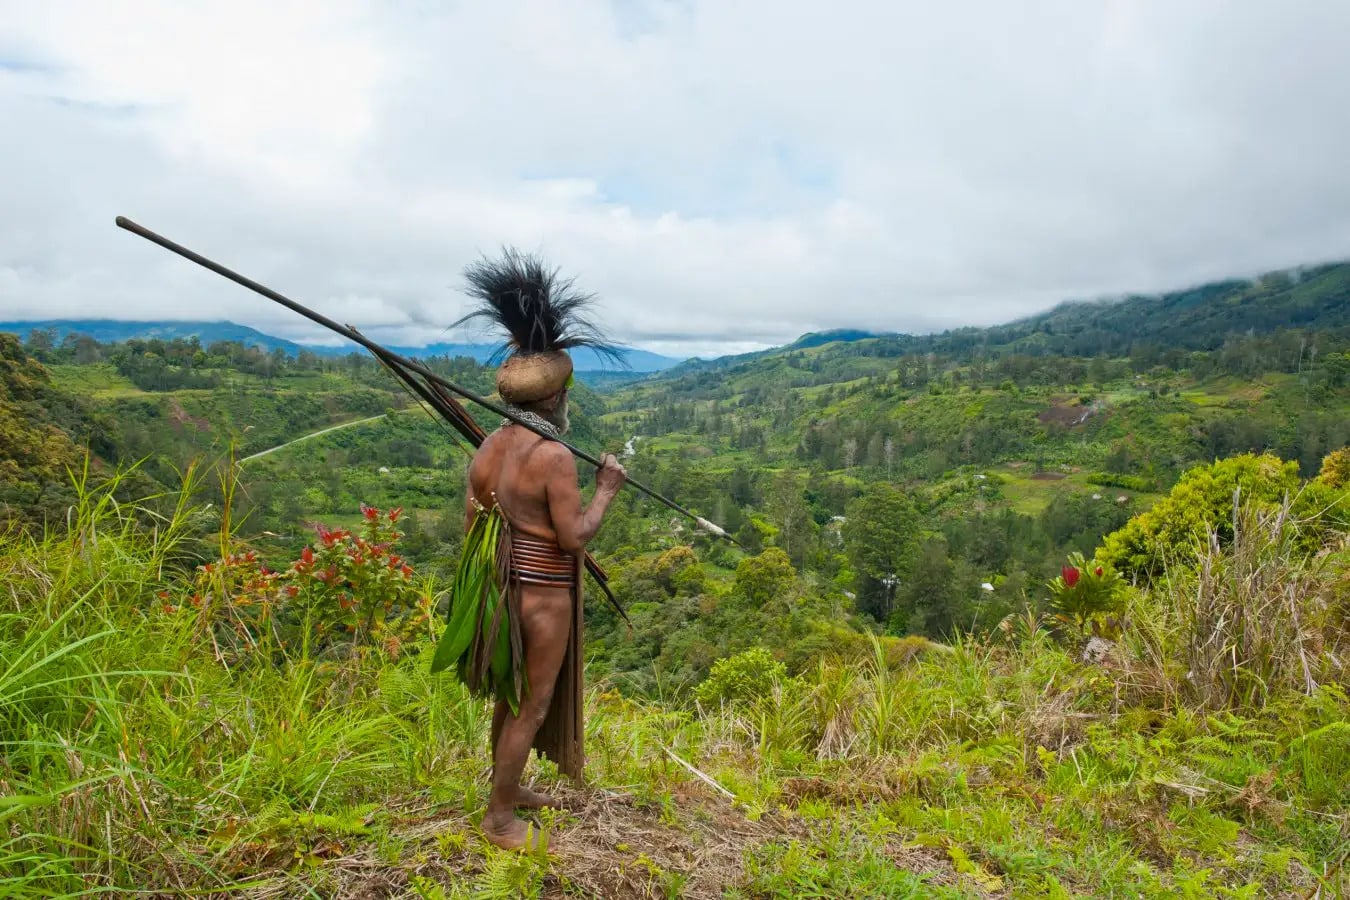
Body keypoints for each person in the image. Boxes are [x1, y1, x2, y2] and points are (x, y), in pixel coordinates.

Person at [430, 248, 627, 850]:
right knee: (530, 704)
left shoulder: (490, 444)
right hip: (541, 596)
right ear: (554, 399)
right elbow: (575, 537)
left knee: (511, 694)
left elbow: (474, 525)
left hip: (497, 591)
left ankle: (508, 790)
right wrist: (607, 490)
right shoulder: (555, 456)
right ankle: (498, 819)